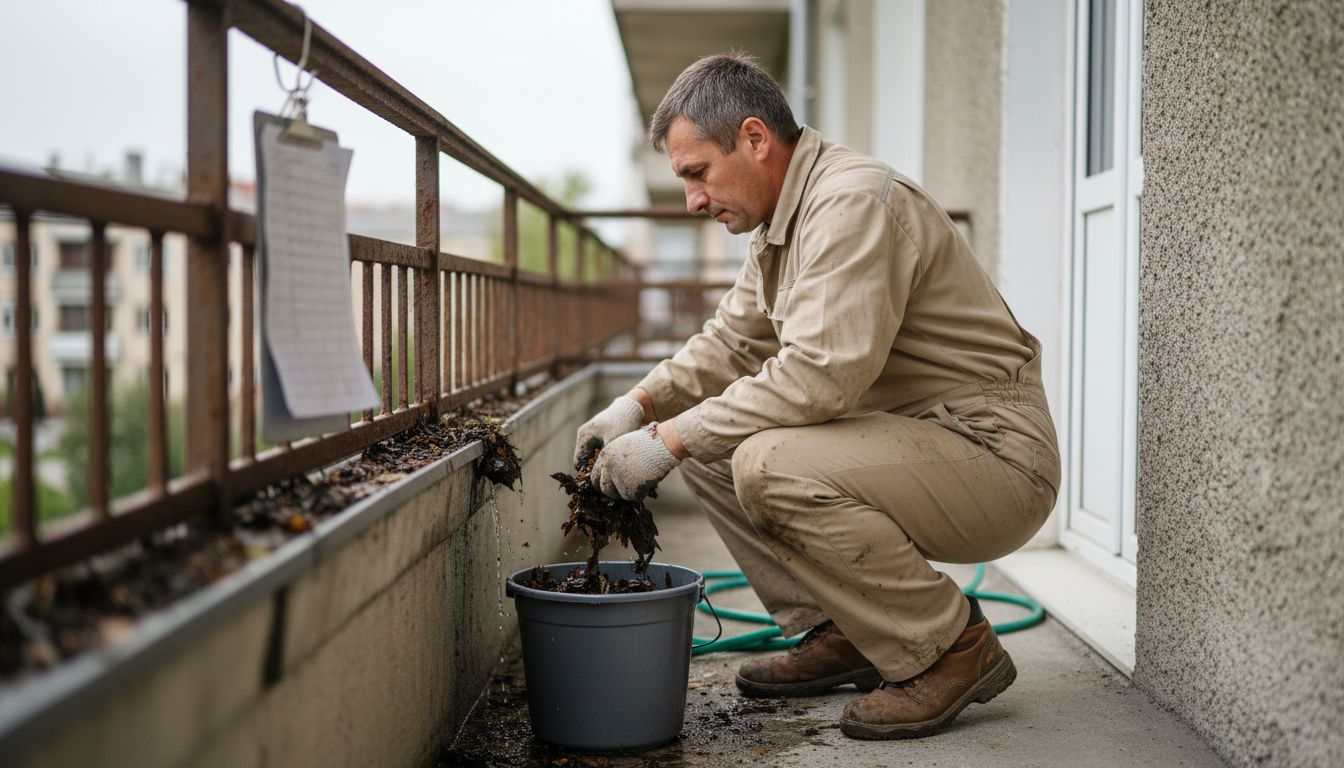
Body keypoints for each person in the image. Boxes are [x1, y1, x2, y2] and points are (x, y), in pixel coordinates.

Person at [576, 53, 1060, 740]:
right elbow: (732, 343)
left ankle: (951, 647)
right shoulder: (780, 221)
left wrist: (666, 442)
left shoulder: (852, 202)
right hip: (918, 438)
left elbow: (820, 378)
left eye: (696, 173)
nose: (691, 200)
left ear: (753, 139)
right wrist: (640, 407)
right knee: (714, 446)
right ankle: (847, 631)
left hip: (995, 457)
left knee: (764, 461)